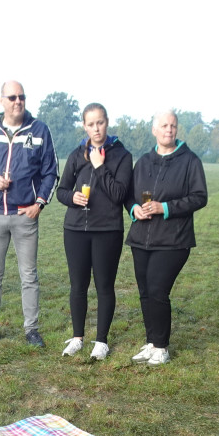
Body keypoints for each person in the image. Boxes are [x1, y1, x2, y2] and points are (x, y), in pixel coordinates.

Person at [0, 80, 58, 348]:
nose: (18, 101)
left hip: (25, 216)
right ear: (1, 101)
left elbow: (51, 171)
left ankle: (32, 330)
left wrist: (39, 203)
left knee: (29, 275)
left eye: (22, 97)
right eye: (12, 97)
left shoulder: (40, 130)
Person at [125, 109, 207, 365]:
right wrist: (134, 209)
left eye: (172, 125)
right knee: (145, 292)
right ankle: (151, 342)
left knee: (158, 289)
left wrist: (165, 208)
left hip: (174, 239)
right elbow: (129, 195)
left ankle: (162, 347)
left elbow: (199, 197)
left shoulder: (190, 161)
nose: (169, 130)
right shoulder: (144, 161)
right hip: (141, 238)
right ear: (154, 130)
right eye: (164, 125)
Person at [56, 102, 132, 360]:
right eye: (91, 124)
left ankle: (101, 341)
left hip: (107, 230)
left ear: (107, 122)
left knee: (104, 286)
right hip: (75, 229)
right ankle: (77, 337)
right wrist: (72, 197)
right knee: (78, 285)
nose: (96, 128)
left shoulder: (122, 156)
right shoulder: (77, 154)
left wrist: (100, 166)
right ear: (84, 126)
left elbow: (119, 194)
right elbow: (62, 190)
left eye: (100, 122)